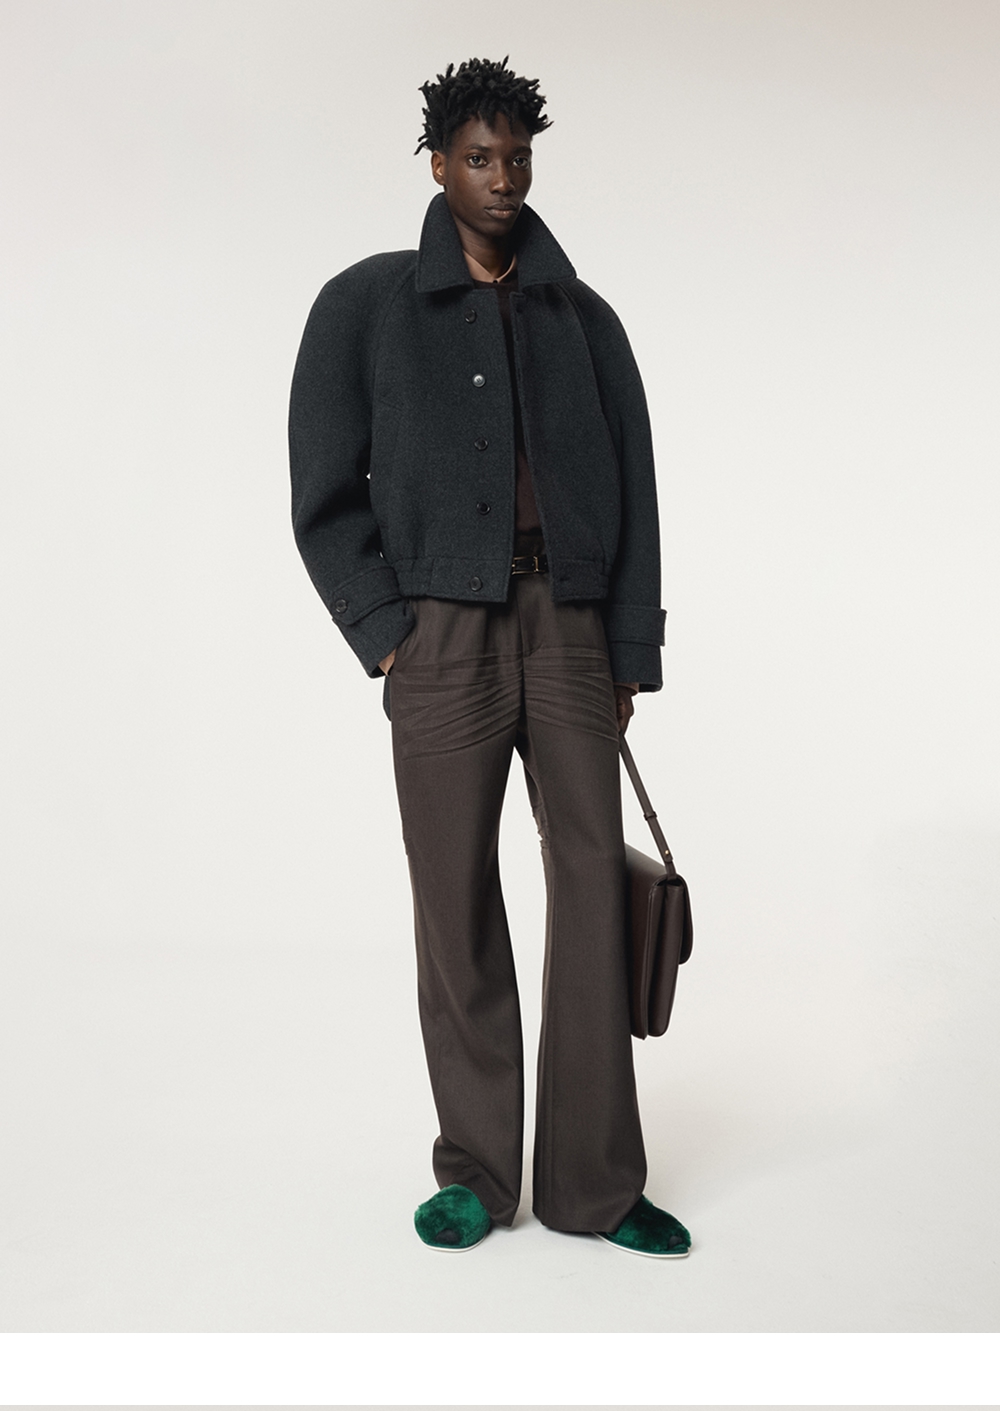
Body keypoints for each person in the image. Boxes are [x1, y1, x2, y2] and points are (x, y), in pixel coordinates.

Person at [289, 59, 690, 1259]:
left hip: (570, 628)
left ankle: (595, 1186)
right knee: (453, 895)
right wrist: (385, 636)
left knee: (591, 886)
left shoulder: (586, 320)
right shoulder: (363, 306)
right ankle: (474, 1170)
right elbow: (322, 490)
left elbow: (638, 492)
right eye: (478, 158)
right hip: (440, 637)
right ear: (436, 165)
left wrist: (628, 650)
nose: (502, 178)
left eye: (516, 158)